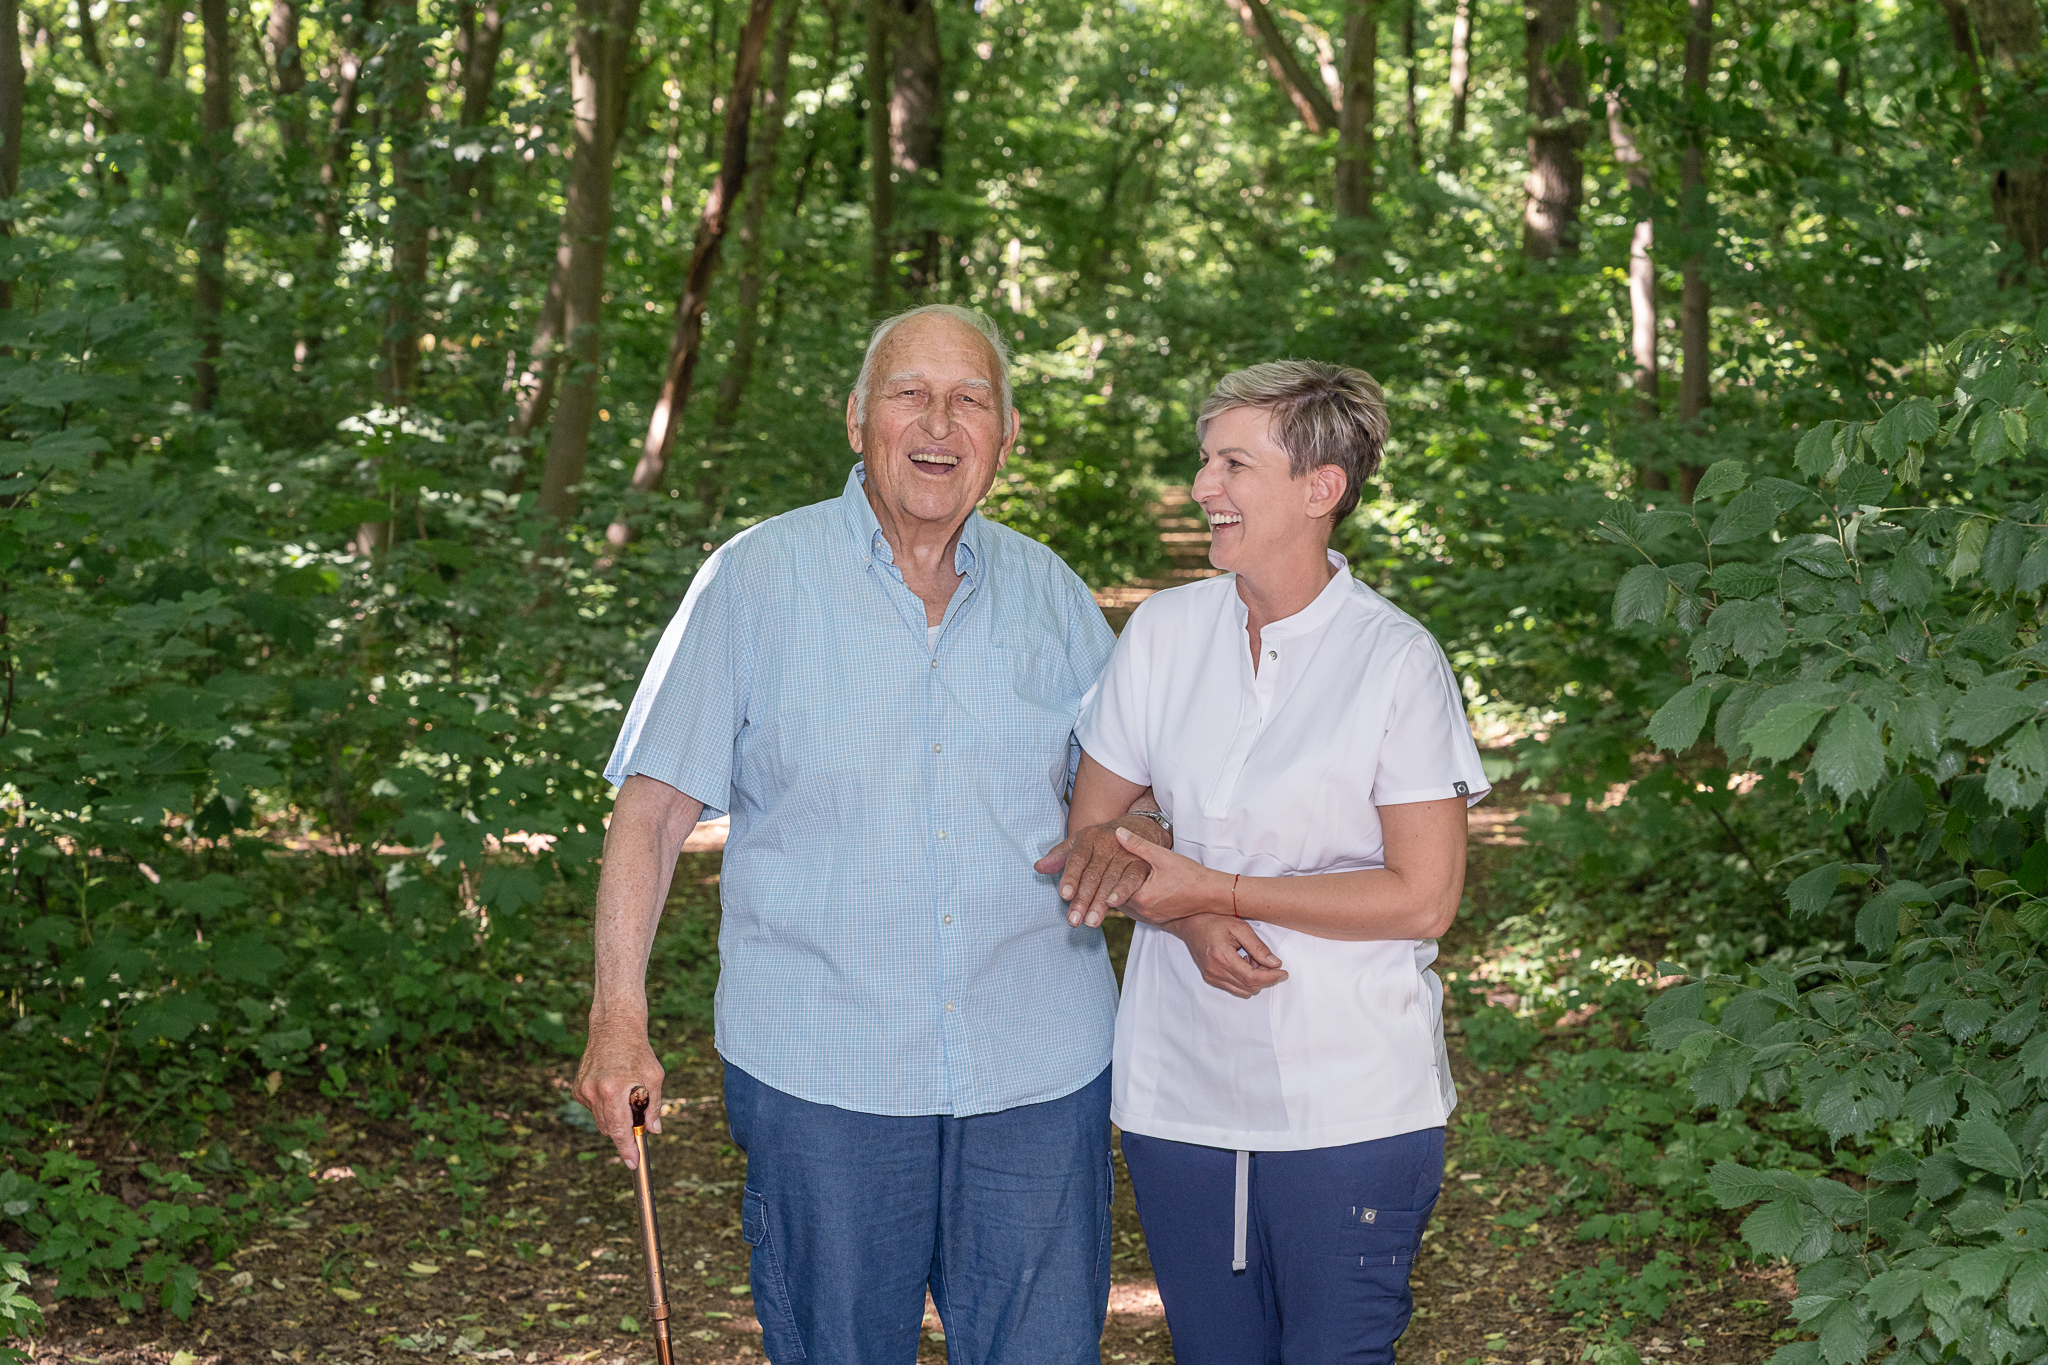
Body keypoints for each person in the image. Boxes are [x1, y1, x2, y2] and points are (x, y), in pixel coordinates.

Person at [572, 304, 1170, 1365]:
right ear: (856, 420)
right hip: (821, 1080)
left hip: (1035, 1072)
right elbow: (653, 811)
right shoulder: (753, 581)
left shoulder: (1053, 595)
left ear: (1004, 435)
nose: (937, 421)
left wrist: (1129, 837)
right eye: (908, 394)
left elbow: (1133, 802)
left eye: (969, 399)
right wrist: (618, 1015)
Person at [1039, 360, 1489, 1364]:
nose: (1202, 486)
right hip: (1177, 1094)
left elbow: (1424, 898)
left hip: (1350, 1106)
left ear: (1318, 489)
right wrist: (1193, 917)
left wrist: (1218, 886)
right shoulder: (1162, 633)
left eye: (1232, 463)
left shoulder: (1393, 660)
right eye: (1205, 461)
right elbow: (1095, 835)